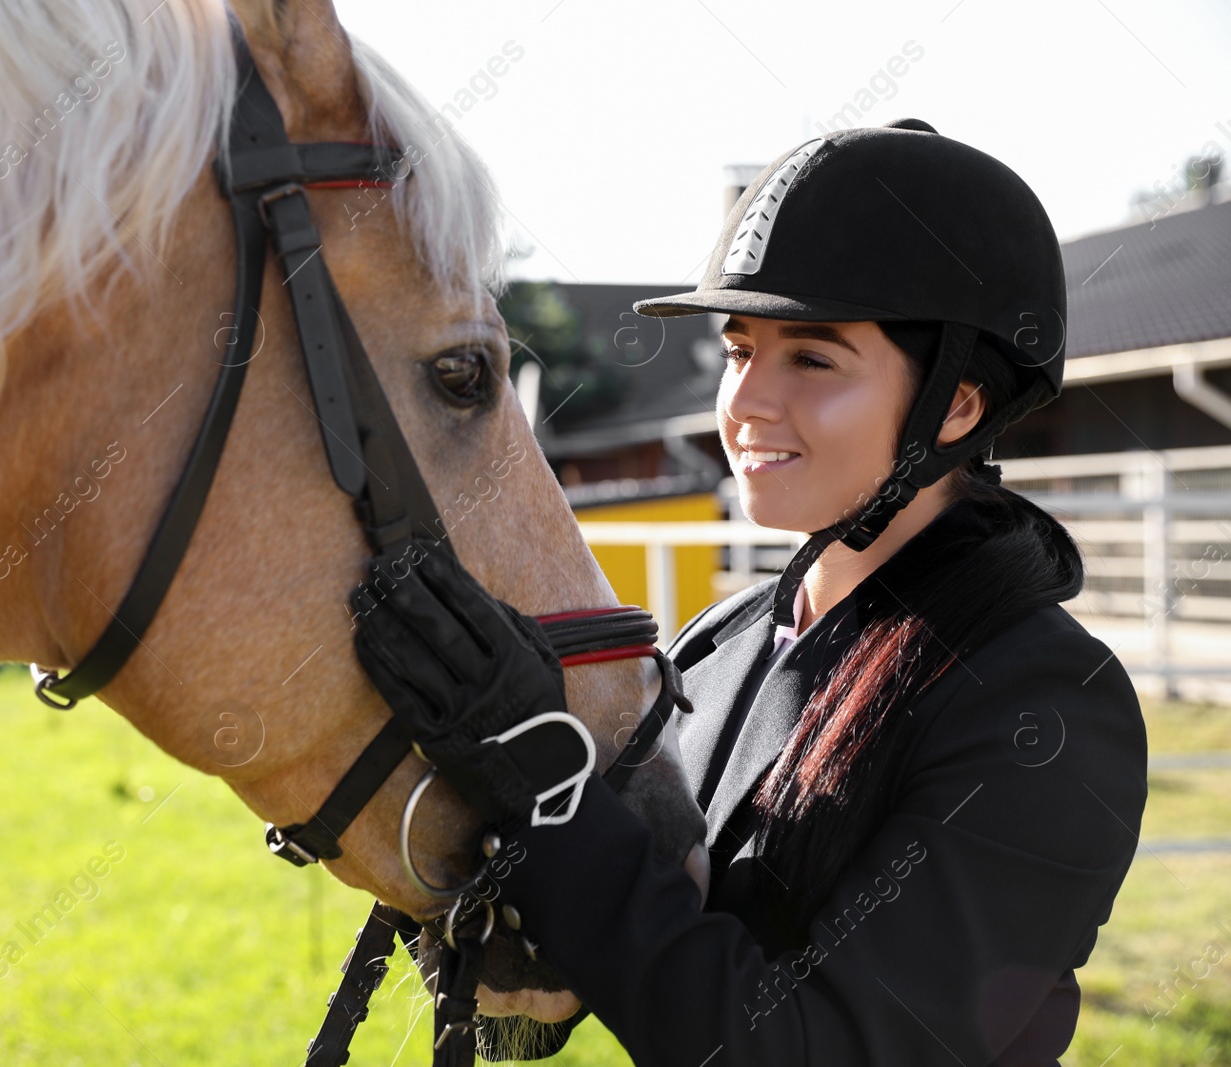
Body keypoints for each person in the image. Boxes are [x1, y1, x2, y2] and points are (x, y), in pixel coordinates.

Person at [351, 119, 1148, 1065]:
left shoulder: (1048, 707)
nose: (746, 403)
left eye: (811, 358)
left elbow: (804, 1047)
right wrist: (452, 810)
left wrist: (547, 803)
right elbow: (540, 1012)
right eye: (739, 351)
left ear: (960, 403)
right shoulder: (716, 645)